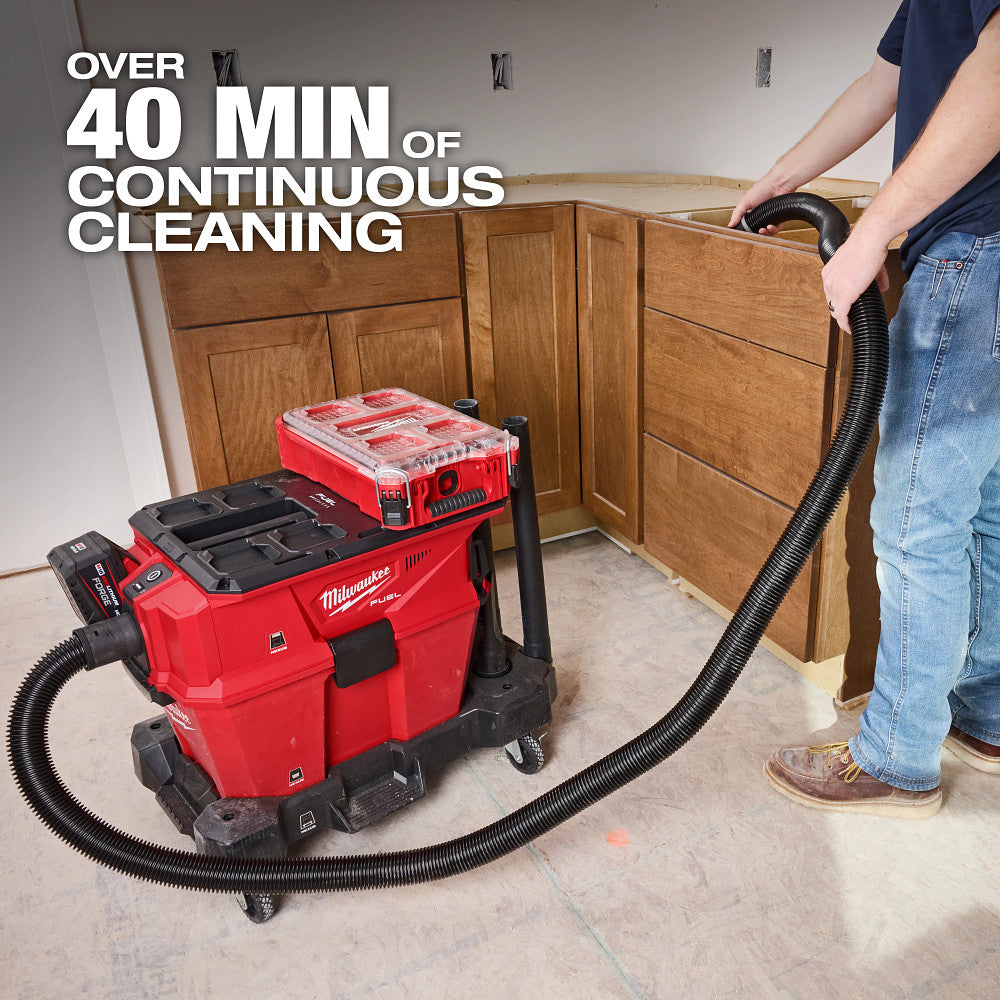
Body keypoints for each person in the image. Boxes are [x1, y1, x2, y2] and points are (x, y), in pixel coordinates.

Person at [729, 1, 1000, 817]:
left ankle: (895, 758)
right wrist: (782, 179)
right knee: (986, 511)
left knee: (919, 523)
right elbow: (883, 80)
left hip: (976, 250)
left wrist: (875, 229)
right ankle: (987, 718)